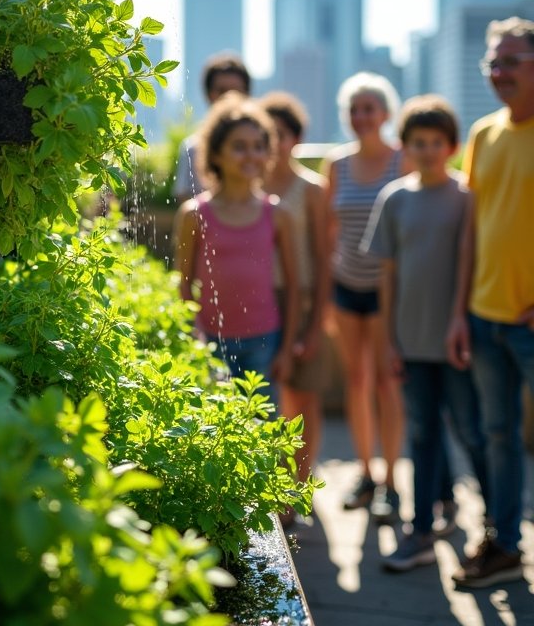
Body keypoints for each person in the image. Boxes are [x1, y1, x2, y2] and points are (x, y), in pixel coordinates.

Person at [362, 95, 489, 572]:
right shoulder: (394, 198)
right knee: (423, 433)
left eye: (438, 142)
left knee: (472, 430)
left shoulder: (466, 197)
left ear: (453, 146)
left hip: (457, 340)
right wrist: (389, 340)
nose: (429, 150)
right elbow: (388, 275)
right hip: (410, 341)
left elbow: (468, 264)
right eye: (419, 142)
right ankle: (419, 531)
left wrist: (460, 321)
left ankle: (494, 527)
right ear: (405, 146)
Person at [447, 16, 534, 590]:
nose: (499, 73)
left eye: (511, 62)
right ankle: (504, 544)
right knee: (497, 435)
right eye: (493, 63)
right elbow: (471, 230)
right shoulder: (482, 134)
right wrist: (459, 311)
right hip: (483, 315)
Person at [173, 92, 299, 406]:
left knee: (263, 432)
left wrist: (286, 349)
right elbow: (182, 282)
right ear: (215, 154)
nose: (251, 156)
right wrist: (194, 333)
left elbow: (295, 287)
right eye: (239, 147)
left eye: (259, 147)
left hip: (264, 341)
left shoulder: (278, 214)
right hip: (209, 342)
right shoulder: (194, 214)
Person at [325, 72, 406, 522]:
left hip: (386, 289)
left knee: (386, 383)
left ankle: (393, 483)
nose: (361, 117)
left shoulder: (403, 160)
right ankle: (366, 473)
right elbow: (327, 232)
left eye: (369, 108)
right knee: (356, 380)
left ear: (386, 114)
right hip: (344, 285)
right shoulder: (336, 164)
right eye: (354, 109)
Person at [260, 91, 330, 483]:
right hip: (257, 300)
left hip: (300, 298)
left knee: (303, 398)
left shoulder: (312, 188)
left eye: (282, 133)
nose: (275, 142)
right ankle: (270, 485)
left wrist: (315, 323)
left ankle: (298, 488)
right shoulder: (249, 187)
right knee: (267, 399)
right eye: (267, 133)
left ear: (297, 138)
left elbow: (322, 260)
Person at [174, 52, 251, 203]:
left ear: (247, 94)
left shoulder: (265, 146)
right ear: (208, 94)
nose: (228, 97)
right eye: (221, 91)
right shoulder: (192, 149)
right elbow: (185, 202)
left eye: (236, 91)